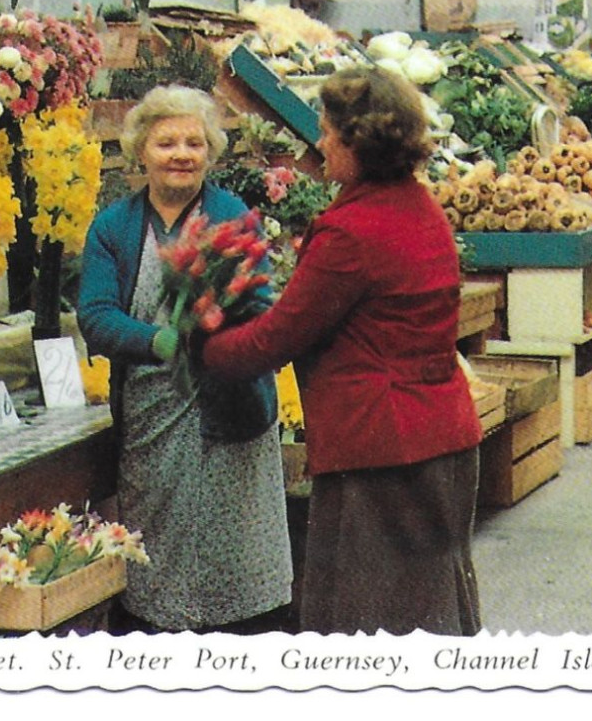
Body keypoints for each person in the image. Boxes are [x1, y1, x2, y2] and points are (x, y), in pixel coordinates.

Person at [201, 66, 482, 635]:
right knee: (431, 616)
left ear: (361, 141)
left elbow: (279, 337)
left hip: (381, 453)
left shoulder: (350, 231)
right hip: (443, 438)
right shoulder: (420, 207)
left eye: (329, 131)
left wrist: (199, 345)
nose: (320, 141)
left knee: (372, 629)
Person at [77, 85, 292, 633]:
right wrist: (158, 341)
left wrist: (219, 337)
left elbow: (261, 306)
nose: (181, 154)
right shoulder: (113, 227)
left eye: (194, 143)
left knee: (235, 546)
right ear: (141, 151)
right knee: (161, 550)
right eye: (166, 142)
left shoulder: (233, 217)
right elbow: (96, 316)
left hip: (231, 404)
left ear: (210, 153)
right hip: (153, 414)